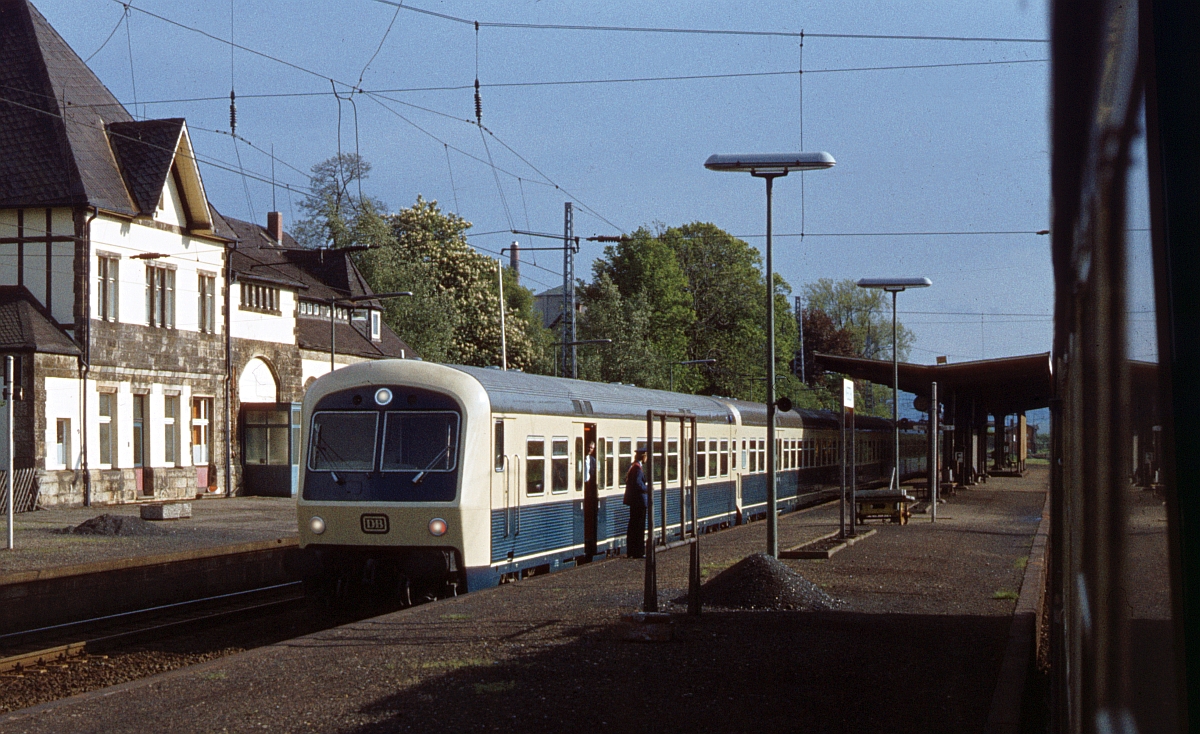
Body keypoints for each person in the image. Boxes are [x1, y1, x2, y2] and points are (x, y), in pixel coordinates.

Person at [623, 449, 648, 558]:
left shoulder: (632, 466)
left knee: (633, 526)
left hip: (634, 502)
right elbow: (638, 484)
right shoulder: (638, 468)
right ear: (643, 456)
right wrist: (647, 488)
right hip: (639, 502)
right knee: (639, 527)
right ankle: (639, 552)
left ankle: (631, 551)